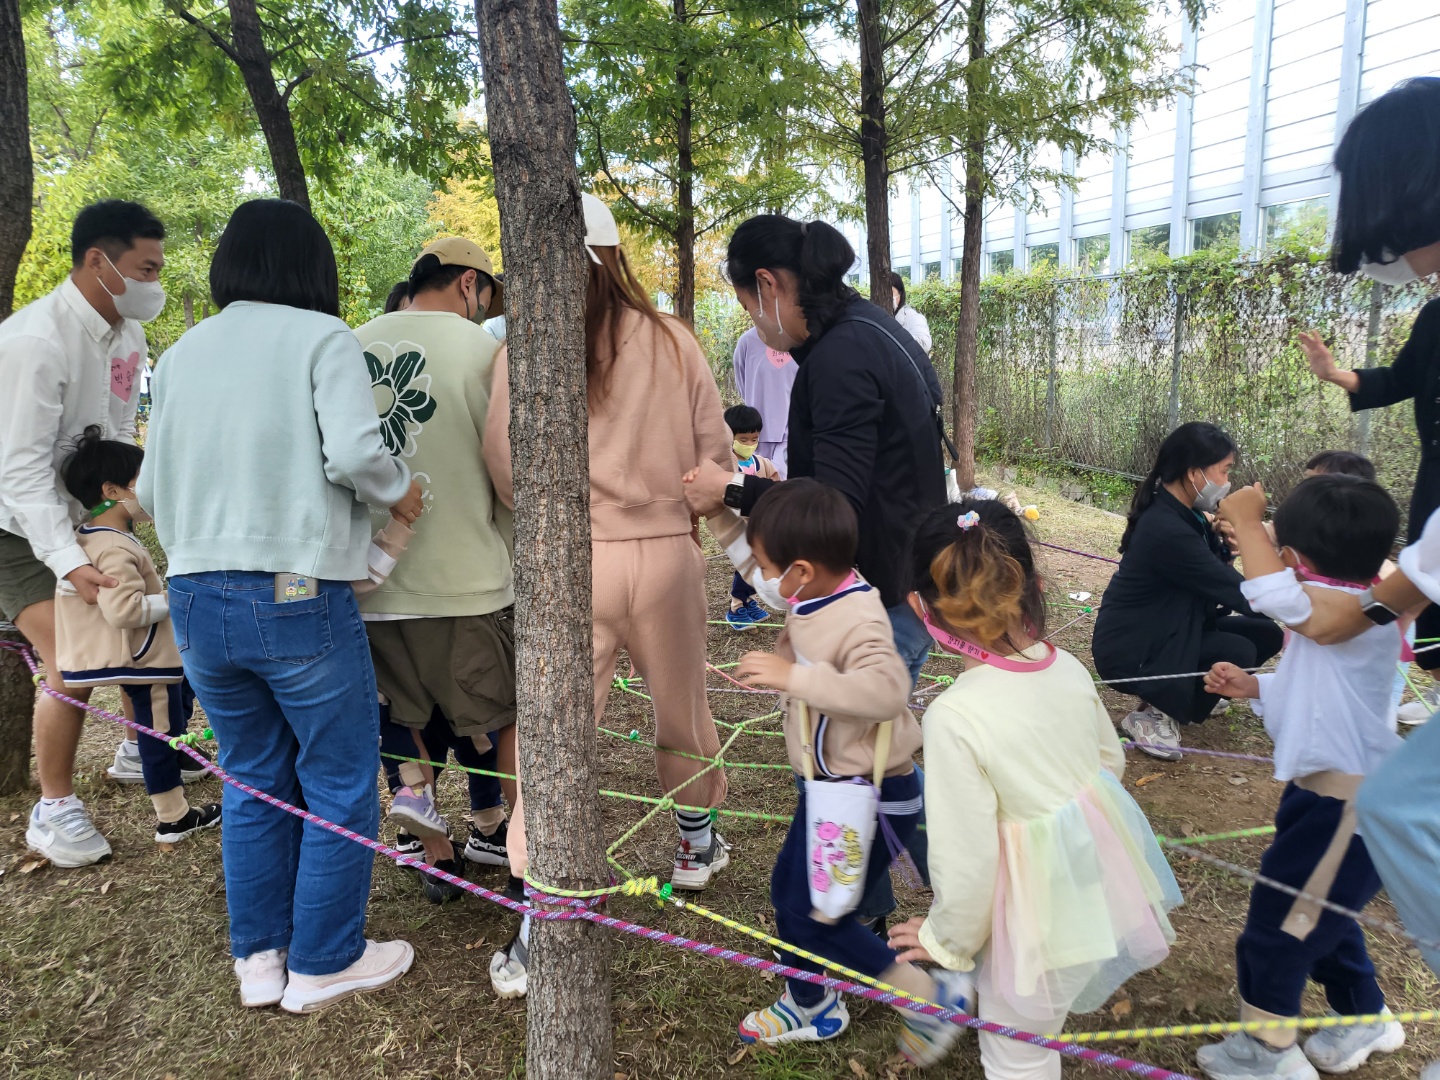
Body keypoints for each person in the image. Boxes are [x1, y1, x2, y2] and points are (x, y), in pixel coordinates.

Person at [138, 198, 423, 1014]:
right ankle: (327, 958)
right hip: (295, 590)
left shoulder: (185, 352)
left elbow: (151, 491)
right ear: (311, 269)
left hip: (194, 593)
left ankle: (260, 962)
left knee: (253, 776)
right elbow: (359, 454)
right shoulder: (320, 337)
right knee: (337, 775)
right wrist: (401, 497)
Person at [484, 193, 731, 996]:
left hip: (571, 565)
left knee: (558, 733)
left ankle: (538, 918)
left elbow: (505, 469)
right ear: (616, 255)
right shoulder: (672, 340)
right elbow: (713, 466)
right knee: (682, 708)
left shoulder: (526, 349)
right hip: (665, 554)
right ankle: (696, 842)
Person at [888, 499, 1181, 1080]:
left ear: (923, 609)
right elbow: (1108, 761)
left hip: (1027, 924)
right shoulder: (1066, 666)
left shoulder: (954, 717)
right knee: (1037, 1030)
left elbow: (967, 863)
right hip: (1093, 891)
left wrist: (944, 942)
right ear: (1031, 587)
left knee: (1016, 1053)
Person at [693, 479, 969, 1060]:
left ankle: (925, 995)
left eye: (773, 568)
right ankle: (811, 1000)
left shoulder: (859, 616)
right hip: (831, 792)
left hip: (867, 796)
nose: (764, 579)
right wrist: (719, 513)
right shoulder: (813, 587)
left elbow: (888, 690)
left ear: (800, 570)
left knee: (818, 913)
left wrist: (794, 677)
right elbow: (757, 569)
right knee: (792, 896)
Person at [1199, 476, 1407, 1079]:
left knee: (1277, 931)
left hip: (1345, 809)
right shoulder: (1356, 610)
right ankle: (1363, 1013)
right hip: (1326, 798)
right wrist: (1255, 685)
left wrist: (1242, 513)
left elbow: (1269, 590)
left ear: (1294, 561)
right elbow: (1316, 688)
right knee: (1321, 918)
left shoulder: (1350, 612)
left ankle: (1265, 1054)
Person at [684, 215, 948, 687]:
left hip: (879, 607)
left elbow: (832, 509)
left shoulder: (841, 357)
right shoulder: (868, 329)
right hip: (900, 584)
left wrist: (730, 490)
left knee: (851, 755)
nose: (755, 324)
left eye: (748, 307)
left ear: (767, 284)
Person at [1, 200, 166, 867]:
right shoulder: (34, 341)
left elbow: (120, 437)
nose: (154, 282)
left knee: (126, 623)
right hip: (13, 525)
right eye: (144, 268)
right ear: (98, 261)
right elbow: (19, 472)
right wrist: (70, 561)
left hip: (79, 516)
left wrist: (126, 512)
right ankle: (54, 808)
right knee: (71, 660)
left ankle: (139, 748)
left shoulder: (128, 336)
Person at [353, 236, 518, 903]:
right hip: (467, 578)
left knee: (403, 719)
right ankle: (513, 841)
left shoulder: (348, 346)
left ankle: (431, 846)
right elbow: (507, 470)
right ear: (468, 284)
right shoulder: (484, 353)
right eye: (484, 297)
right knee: (494, 716)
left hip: (372, 581)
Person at [1300, 77, 1440, 733]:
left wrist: (1370, 611)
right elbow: (1400, 380)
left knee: (1395, 807)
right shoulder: (1436, 316)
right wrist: (1338, 375)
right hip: (1429, 528)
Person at [53, 427, 221, 846]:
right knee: (160, 734)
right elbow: (125, 609)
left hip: (149, 658)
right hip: (147, 661)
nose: (152, 490)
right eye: (141, 483)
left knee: (168, 725)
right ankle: (173, 817)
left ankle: (180, 785)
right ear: (112, 490)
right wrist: (178, 600)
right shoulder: (113, 546)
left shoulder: (100, 538)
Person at [1091, 422, 1284, 760]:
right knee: (1236, 650)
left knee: (1266, 634)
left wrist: (1228, 546)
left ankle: (1190, 696)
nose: (1226, 483)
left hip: (1170, 628)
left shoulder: (1188, 515)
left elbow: (1213, 578)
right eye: (1224, 472)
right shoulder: (1167, 528)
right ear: (1195, 473)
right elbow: (1239, 593)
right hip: (1132, 648)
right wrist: (1251, 530)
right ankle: (1154, 715)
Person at [723, 404, 780, 631]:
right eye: (743, 439)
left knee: (761, 564)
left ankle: (749, 601)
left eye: (753, 439)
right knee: (745, 565)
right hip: (739, 528)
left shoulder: (762, 464)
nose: (749, 444)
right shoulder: (726, 465)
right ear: (730, 437)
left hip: (762, 526)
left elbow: (776, 487)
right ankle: (736, 606)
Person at [730, 326, 798, 477]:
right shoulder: (747, 342)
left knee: (783, 483)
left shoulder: (800, 341)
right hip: (755, 433)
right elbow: (743, 383)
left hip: (791, 431)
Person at [890, 271, 932, 353]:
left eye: (891, 292)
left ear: (900, 294)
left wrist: (895, 335)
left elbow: (924, 344)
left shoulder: (913, 317)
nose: (887, 296)